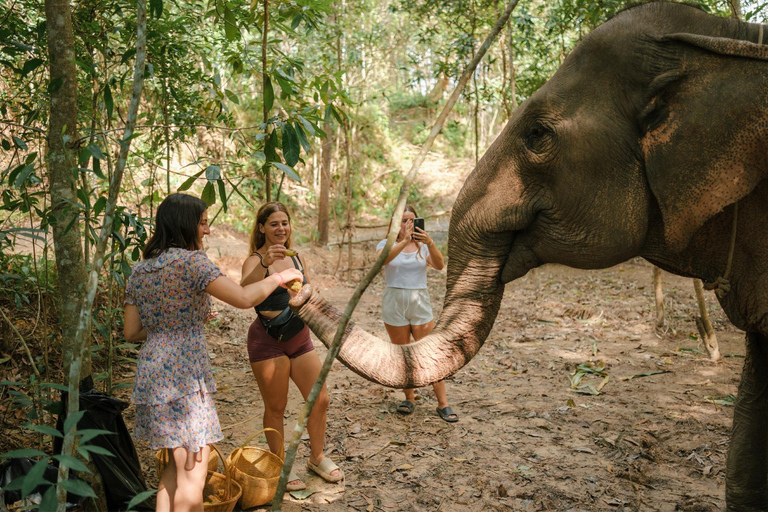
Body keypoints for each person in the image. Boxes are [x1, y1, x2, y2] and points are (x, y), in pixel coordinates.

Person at [123, 193, 303, 512]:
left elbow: (132, 332)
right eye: (203, 223)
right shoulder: (194, 262)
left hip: (152, 374)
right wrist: (278, 276)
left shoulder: (140, 270)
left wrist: (177, 320)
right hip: (185, 377)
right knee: (194, 478)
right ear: (185, 224)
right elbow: (246, 298)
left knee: (171, 474)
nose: (207, 230)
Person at [241, 202, 343, 491]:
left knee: (320, 399)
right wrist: (264, 265)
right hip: (268, 341)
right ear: (262, 228)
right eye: (273, 224)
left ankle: (317, 456)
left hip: (300, 337)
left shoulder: (296, 258)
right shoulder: (255, 259)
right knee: (276, 407)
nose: (280, 229)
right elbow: (244, 291)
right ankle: (280, 465)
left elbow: (309, 290)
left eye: (284, 223)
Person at [376, 205, 459, 423]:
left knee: (429, 353)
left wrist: (430, 243)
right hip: (395, 302)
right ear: (396, 223)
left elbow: (440, 266)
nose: (408, 224)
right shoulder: (386, 244)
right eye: (404, 220)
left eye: (412, 220)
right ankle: (409, 397)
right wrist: (403, 242)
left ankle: (443, 403)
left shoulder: (423, 247)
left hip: (419, 302)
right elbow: (381, 261)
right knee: (403, 353)